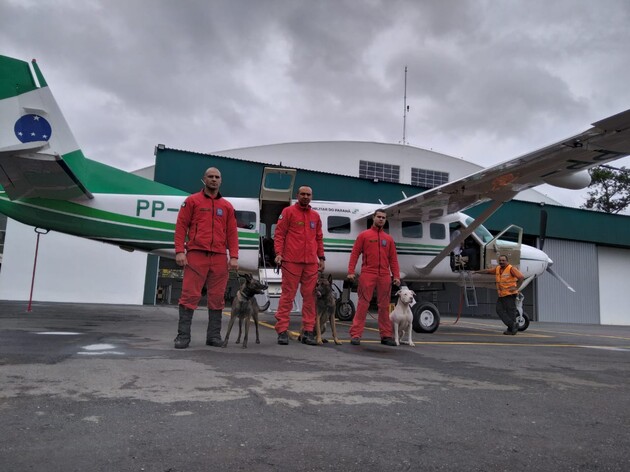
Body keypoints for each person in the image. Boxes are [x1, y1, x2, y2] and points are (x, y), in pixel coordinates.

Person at [173, 167, 239, 349]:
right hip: (196, 255)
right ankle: (183, 336)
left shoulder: (226, 206)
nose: (214, 179)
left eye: (217, 177)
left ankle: (213, 336)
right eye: (210, 177)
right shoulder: (192, 201)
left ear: (221, 181)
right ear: (204, 179)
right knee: (189, 295)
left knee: (217, 298)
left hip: (218, 257)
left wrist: (233, 256)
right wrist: (180, 250)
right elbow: (181, 226)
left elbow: (232, 233)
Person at [273, 186, 325, 345]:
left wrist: (321, 258)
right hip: (291, 261)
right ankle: (282, 330)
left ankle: (308, 331)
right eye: (302, 194)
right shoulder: (288, 212)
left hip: (310, 263)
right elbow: (279, 234)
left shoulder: (315, 216)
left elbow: (319, 238)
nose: (305, 196)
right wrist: (278, 254)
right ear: (297, 195)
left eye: (308, 194)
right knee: (287, 296)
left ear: (311, 196)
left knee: (310, 298)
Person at [347, 209, 401, 346]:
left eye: (383, 217)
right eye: (379, 217)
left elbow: (393, 260)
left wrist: (396, 276)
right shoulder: (364, 235)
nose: (381, 219)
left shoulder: (388, 239)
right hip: (368, 273)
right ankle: (356, 334)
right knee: (363, 304)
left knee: (384, 306)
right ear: (373, 218)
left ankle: (386, 335)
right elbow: (354, 254)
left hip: (384, 275)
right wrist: (351, 271)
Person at [474, 255, 524, 335]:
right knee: (499, 310)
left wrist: (516, 288)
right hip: (502, 295)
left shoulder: (511, 269)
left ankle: (511, 329)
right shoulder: (497, 269)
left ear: (507, 261)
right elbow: (488, 271)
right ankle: (512, 326)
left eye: (503, 260)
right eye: (500, 260)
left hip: (510, 294)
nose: (501, 262)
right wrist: (477, 271)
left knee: (510, 312)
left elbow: (521, 277)